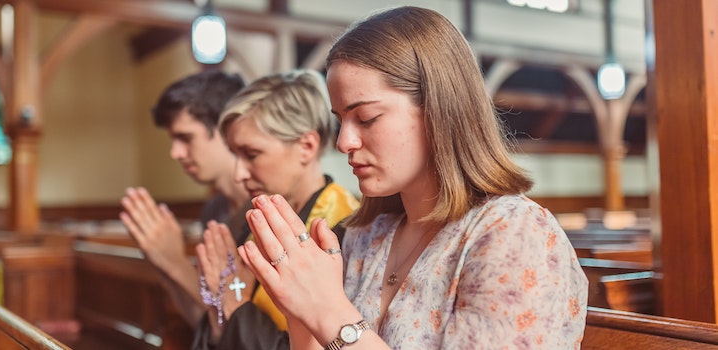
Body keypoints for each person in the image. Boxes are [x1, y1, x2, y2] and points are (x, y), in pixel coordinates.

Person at [237, 6, 588, 349]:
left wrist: (328, 313)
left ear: (438, 110)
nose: (344, 142)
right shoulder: (366, 235)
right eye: (340, 119)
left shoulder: (515, 234)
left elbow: (337, 327)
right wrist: (301, 311)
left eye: (367, 117)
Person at [192, 69, 360, 349]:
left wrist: (234, 307)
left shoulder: (345, 229)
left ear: (306, 146)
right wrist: (217, 311)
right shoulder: (248, 222)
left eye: (252, 154)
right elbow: (218, 327)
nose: (238, 174)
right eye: (235, 155)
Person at [119, 70, 251, 328]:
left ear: (226, 129)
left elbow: (244, 328)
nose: (175, 153)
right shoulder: (214, 209)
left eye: (185, 138)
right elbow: (208, 324)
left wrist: (175, 262)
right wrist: (161, 261)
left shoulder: (265, 208)